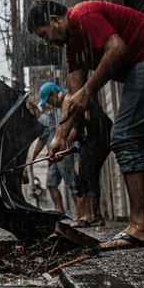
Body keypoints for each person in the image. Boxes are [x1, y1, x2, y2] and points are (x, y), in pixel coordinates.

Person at [27, 0, 144, 249]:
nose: (47, 42)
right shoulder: (72, 49)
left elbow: (117, 49)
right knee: (141, 142)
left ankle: (140, 227)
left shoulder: (83, 15)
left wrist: (88, 90)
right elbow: (71, 96)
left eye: (44, 35)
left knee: (124, 136)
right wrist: (59, 136)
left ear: (55, 19)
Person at [40, 83, 112, 227]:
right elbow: (77, 133)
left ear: (54, 94)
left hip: (100, 133)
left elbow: (74, 132)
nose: (50, 105)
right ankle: (93, 216)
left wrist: (63, 142)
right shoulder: (66, 104)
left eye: (49, 100)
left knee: (87, 170)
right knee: (85, 173)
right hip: (91, 136)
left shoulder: (70, 99)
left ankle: (92, 217)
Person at [26, 83, 75, 215]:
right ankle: (61, 212)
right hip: (53, 155)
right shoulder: (43, 118)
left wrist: (32, 158)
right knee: (51, 184)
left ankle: (80, 213)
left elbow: (42, 141)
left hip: (61, 154)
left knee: (72, 183)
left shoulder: (43, 119)